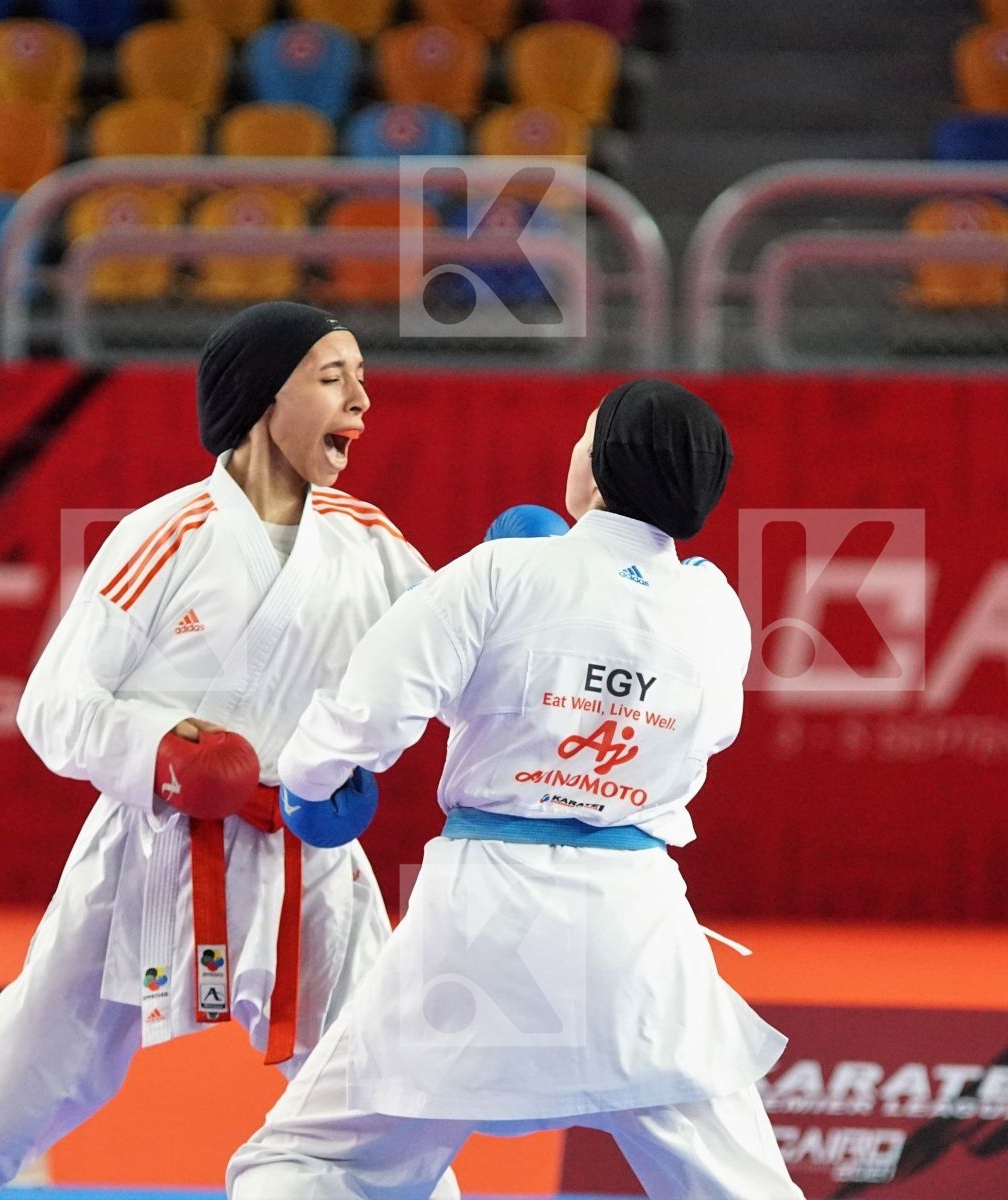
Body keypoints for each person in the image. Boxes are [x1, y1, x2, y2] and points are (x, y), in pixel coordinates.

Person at [0, 302, 459, 1200]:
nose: (361, 399)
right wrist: (159, 750)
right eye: (332, 378)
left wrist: (523, 599)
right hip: (148, 853)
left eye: (361, 378)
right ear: (265, 400)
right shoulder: (167, 535)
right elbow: (54, 705)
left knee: (380, 1100)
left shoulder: (373, 545)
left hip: (305, 854)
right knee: (12, 1101)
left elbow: (457, 667)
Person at [228, 379, 803, 1200]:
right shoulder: (715, 607)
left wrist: (310, 779)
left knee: (304, 1165)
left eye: (586, 436)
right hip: (637, 931)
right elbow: (712, 735)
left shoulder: (503, 570)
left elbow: (369, 715)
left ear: (601, 467)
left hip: (479, 923)